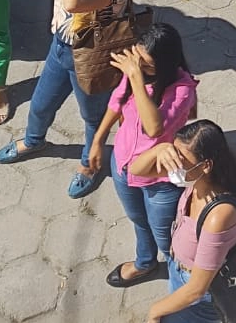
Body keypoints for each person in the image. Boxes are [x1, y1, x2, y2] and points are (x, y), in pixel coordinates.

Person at [0, 0, 135, 198]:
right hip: (60, 45)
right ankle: (34, 141)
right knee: (41, 103)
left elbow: (74, 2)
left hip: (93, 58)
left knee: (92, 116)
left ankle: (89, 163)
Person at [93, 23, 200, 290]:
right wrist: (97, 141)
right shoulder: (136, 73)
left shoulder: (182, 90)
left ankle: (185, 287)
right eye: (137, 59)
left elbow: (155, 128)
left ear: (166, 65)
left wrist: (137, 79)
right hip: (123, 167)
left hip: (159, 182)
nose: (138, 67)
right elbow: (116, 102)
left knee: (167, 239)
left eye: (147, 65)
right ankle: (145, 262)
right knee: (138, 220)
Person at [128, 119, 236, 322]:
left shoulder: (218, 216)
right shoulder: (196, 179)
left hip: (198, 294)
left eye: (181, 160)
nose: (174, 165)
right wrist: (160, 149)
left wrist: (155, 311)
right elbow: (136, 171)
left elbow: (196, 289)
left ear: (205, 166)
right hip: (178, 268)